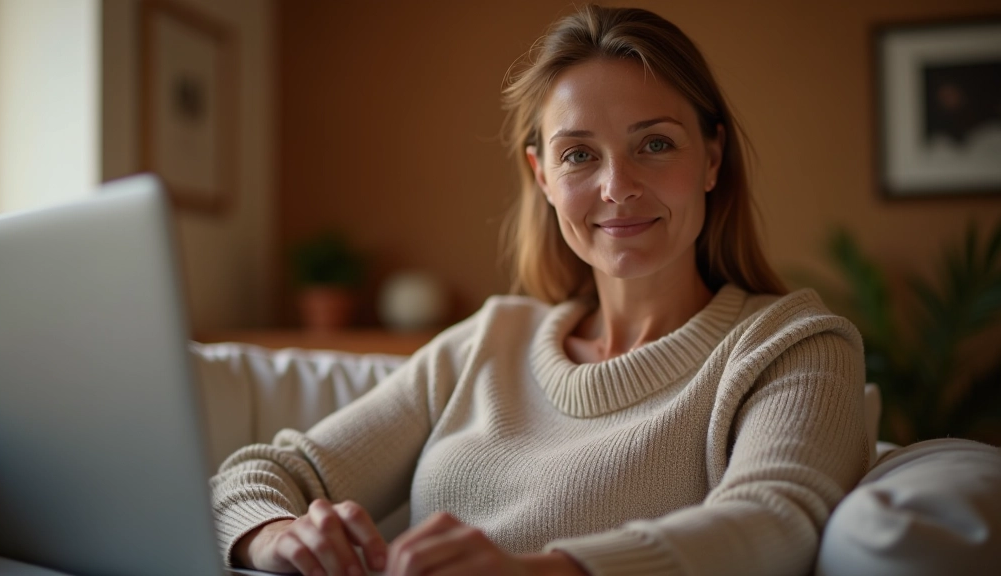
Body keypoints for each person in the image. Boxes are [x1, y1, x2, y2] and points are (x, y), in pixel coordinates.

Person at [210, 5, 869, 575]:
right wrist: (275, 537)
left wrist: (537, 573)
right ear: (543, 176)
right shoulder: (487, 342)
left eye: (656, 144)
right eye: (580, 154)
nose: (616, 186)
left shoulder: (791, 346)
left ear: (712, 158)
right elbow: (256, 476)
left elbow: (775, 524)